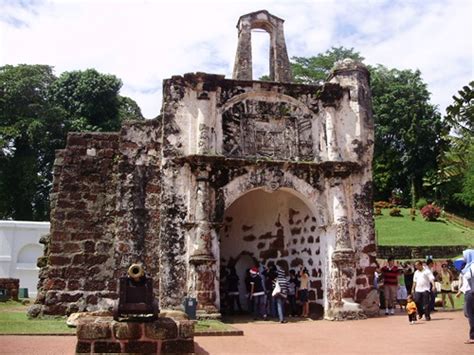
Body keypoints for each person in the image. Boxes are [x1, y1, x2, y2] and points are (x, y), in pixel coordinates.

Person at [455, 249, 474, 344]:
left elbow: (468, 281)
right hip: (469, 291)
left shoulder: (471, 267)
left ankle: (473, 336)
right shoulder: (468, 267)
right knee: (468, 313)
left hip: (471, 293)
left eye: (465, 256)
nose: (464, 258)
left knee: (470, 314)